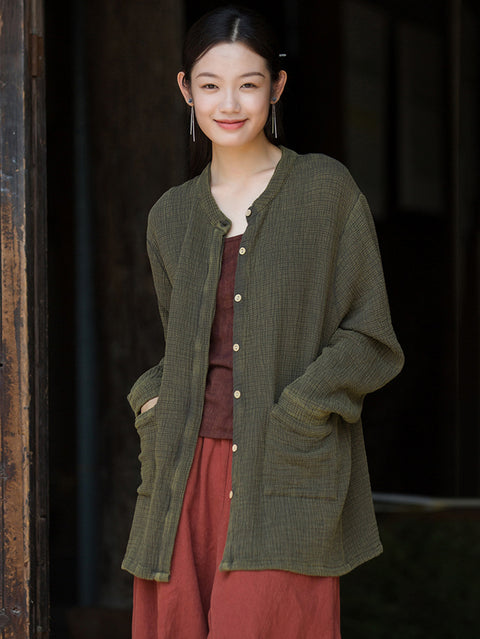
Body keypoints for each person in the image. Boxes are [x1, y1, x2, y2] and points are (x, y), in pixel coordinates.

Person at [122, 5, 404, 638]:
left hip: (285, 468)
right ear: (184, 88)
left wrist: (302, 408)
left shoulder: (324, 192)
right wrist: (151, 401)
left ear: (276, 88)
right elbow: (181, 347)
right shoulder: (170, 218)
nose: (229, 102)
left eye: (248, 83)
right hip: (181, 475)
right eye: (211, 84)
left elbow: (370, 338)